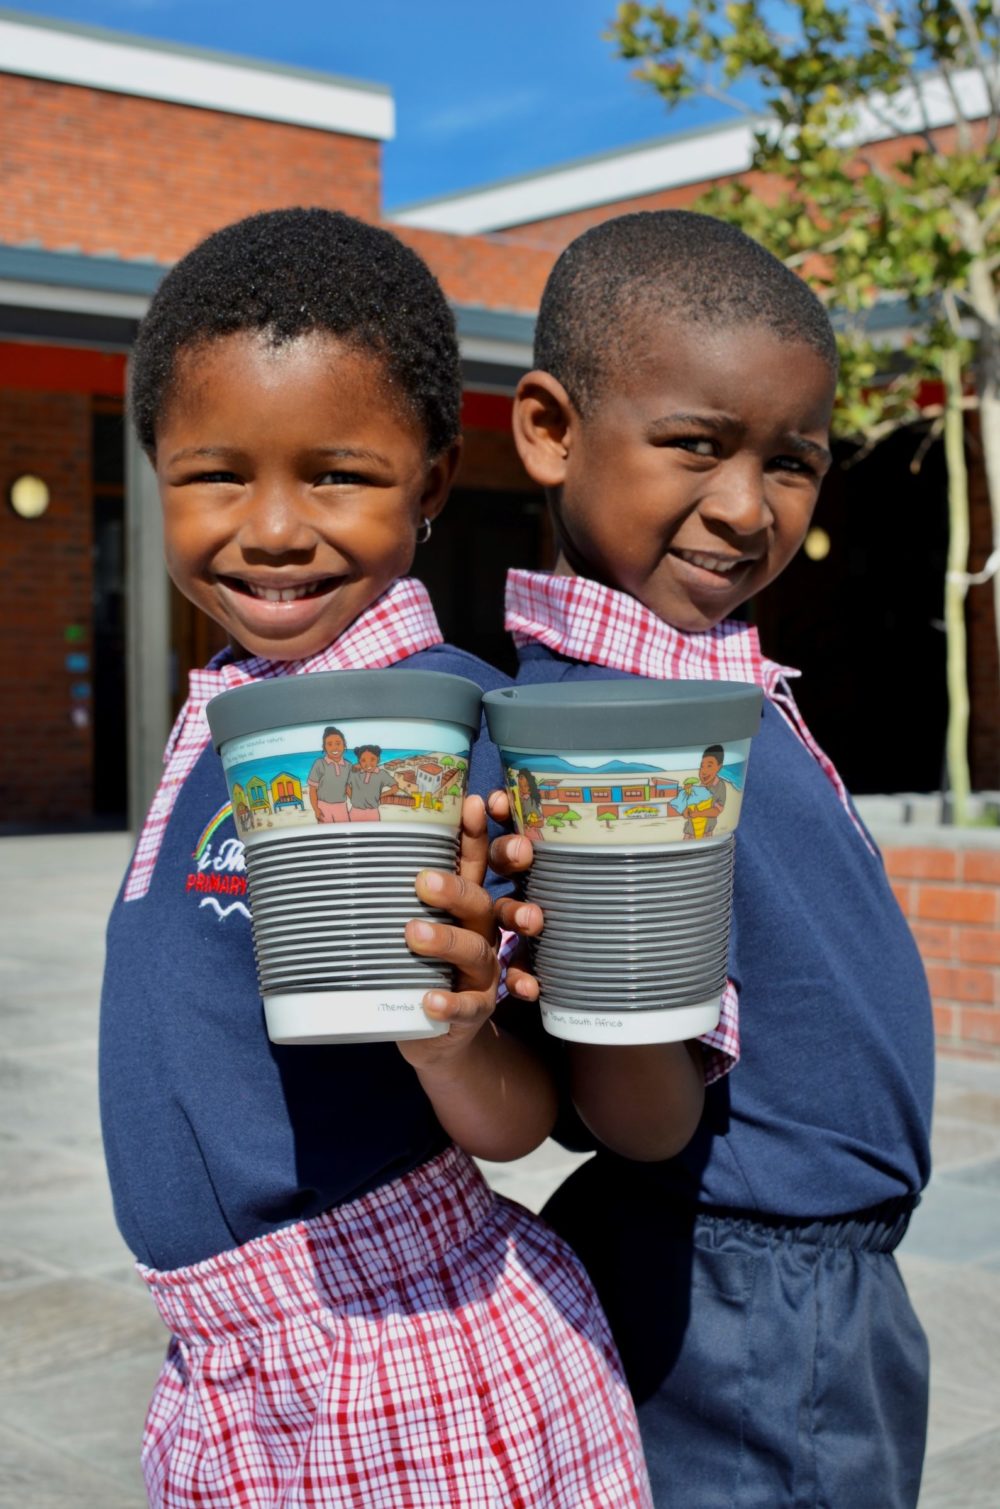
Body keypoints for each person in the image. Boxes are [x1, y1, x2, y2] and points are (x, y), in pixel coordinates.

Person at [98, 208, 656, 1508]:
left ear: (434, 481)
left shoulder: (438, 724)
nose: (275, 528)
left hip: (391, 1356)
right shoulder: (226, 700)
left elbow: (521, 1120)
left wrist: (453, 1038)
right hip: (233, 1370)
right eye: (216, 474)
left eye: (336, 473)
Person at [491, 210, 933, 1509]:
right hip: (752, 1290)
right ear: (550, 429)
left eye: (794, 462)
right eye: (696, 445)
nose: (747, 508)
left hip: (798, 1273)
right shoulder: (601, 723)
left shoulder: (683, 672)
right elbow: (630, 1102)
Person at [307, 725, 351, 822]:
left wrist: (356, 802)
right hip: (323, 806)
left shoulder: (348, 766)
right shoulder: (319, 764)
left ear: (344, 745)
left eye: (338, 743)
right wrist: (316, 809)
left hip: (342, 806)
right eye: (329, 744)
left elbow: (348, 787)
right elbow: (312, 789)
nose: (334, 747)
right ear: (324, 747)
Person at [346, 743, 400, 820]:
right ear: (359, 761)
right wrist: (352, 797)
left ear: (378, 759)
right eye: (363, 760)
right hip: (355, 811)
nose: (368, 764)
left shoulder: (381, 774)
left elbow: (395, 788)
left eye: (372, 759)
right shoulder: (355, 773)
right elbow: (346, 785)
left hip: (373, 812)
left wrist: (380, 796)